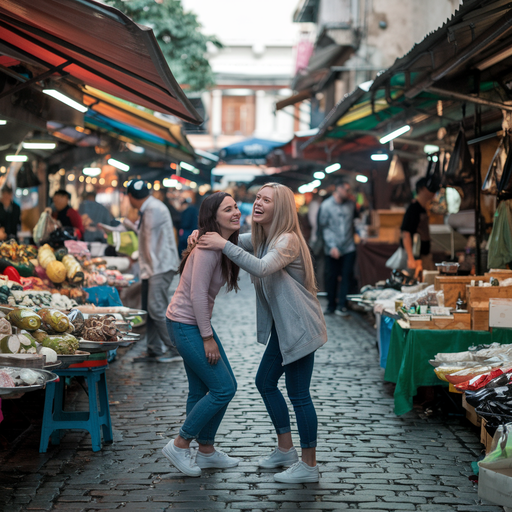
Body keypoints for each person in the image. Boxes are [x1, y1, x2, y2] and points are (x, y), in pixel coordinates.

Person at [197, 182, 327, 484]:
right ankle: (285, 450)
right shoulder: (264, 236)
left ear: (278, 208)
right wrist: (202, 235)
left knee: (299, 395)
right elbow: (231, 239)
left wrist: (221, 243)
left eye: (265, 200)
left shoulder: (287, 241)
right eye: (257, 198)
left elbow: (260, 267)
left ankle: (309, 466)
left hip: (300, 329)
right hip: (285, 330)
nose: (257, 203)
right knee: (265, 382)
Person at [162, 192, 241, 477]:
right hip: (186, 325)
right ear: (214, 216)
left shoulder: (218, 243)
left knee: (200, 390)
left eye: (235, 207)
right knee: (224, 388)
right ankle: (180, 443)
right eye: (228, 209)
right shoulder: (208, 248)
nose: (236, 212)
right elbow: (196, 295)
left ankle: (206, 451)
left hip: (191, 323)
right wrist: (207, 337)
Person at [125, 180, 181, 363]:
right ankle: (154, 348)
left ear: (131, 197)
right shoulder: (151, 207)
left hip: (159, 266)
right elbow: (146, 234)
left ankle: (176, 350)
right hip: (154, 266)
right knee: (149, 310)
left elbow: (147, 241)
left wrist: (136, 259)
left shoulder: (152, 209)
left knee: (156, 309)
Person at [318, 178, 357, 317]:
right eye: (346, 190)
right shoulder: (326, 206)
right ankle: (331, 305)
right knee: (331, 277)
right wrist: (332, 246)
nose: (348, 192)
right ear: (338, 189)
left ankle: (342, 305)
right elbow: (324, 228)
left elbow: (354, 222)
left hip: (348, 246)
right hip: (332, 248)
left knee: (347, 276)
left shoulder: (350, 205)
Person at [401, 177, 437, 274]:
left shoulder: (423, 208)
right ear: (421, 189)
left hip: (423, 255)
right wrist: (410, 257)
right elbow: (406, 233)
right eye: (429, 187)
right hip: (415, 258)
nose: (433, 190)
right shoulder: (413, 208)